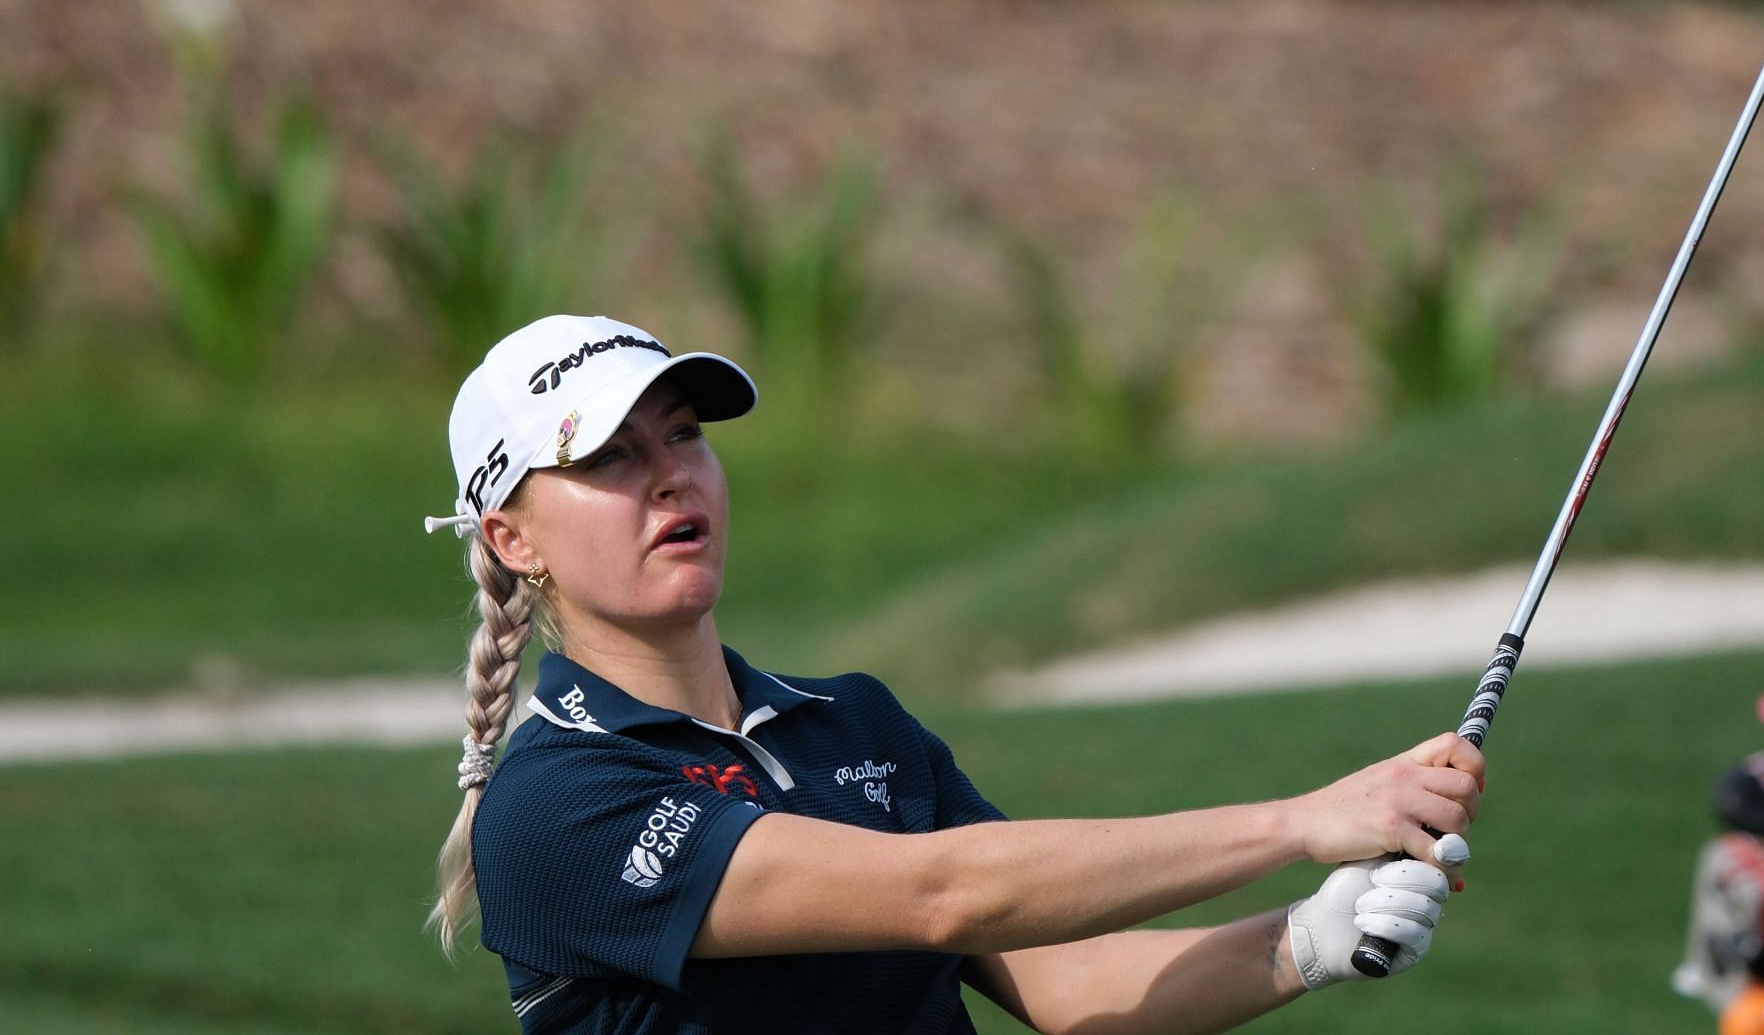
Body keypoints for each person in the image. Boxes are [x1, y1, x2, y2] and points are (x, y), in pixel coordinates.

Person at [423, 313, 1485, 1033]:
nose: (669, 473)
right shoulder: (554, 805)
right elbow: (946, 895)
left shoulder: (855, 723)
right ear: (515, 539)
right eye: (608, 455)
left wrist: (1307, 938)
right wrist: (1302, 821)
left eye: (685, 433)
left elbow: (1065, 982)